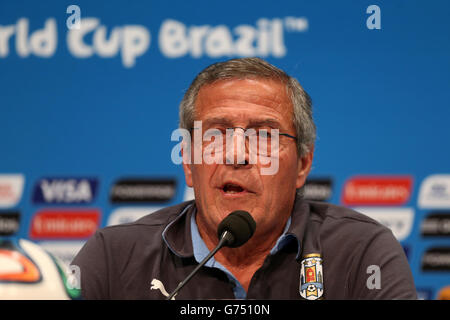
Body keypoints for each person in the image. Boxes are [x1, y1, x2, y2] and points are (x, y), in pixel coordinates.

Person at [71, 57, 417, 299]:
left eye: (264, 136)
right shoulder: (115, 257)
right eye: (216, 135)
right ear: (189, 163)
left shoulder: (361, 252)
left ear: (302, 164)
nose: (237, 155)